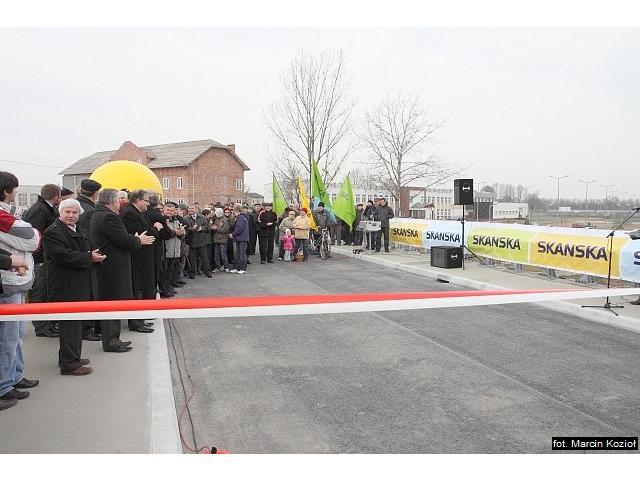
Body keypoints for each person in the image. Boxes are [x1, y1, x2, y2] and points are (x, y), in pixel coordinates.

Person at [43, 198, 106, 376]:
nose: (71, 215)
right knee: (70, 325)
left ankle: (71, 356)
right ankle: (70, 364)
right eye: (67, 212)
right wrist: (89, 257)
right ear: (60, 213)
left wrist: (96, 255)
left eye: (75, 212)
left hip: (78, 284)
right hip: (65, 286)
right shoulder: (53, 232)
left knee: (76, 324)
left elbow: (90, 249)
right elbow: (63, 256)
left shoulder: (79, 229)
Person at [90, 189, 154, 352]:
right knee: (112, 305)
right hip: (112, 268)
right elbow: (123, 239)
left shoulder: (99, 214)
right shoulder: (109, 217)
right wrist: (138, 240)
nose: (120, 203)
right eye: (118, 200)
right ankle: (111, 341)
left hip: (109, 266)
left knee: (113, 304)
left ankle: (114, 339)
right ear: (113, 202)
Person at [0, 171, 41, 411]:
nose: (17, 192)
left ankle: (14, 376)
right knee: (8, 338)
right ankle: (4, 385)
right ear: (7, 190)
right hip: (8, 282)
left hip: (15, 280)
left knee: (16, 336)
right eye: (15, 188)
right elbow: (32, 239)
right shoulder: (3, 216)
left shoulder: (8, 214)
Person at [22, 184, 62, 338]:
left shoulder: (44, 208)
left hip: (44, 258)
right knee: (39, 292)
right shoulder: (40, 210)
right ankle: (41, 326)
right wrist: (41, 258)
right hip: (40, 259)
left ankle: (46, 324)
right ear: (56, 196)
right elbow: (35, 237)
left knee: (45, 291)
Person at [121, 190, 162, 332]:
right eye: (146, 201)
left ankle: (140, 320)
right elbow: (141, 233)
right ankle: (136, 322)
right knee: (137, 289)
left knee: (143, 288)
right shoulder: (130, 213)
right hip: (138, 258)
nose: (148, 204)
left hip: (143, 257)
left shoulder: (137, 212)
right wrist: (155, 228)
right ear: (138, 200)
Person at [144, 193, 175, 299]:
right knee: (159, 270)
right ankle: (159, 290)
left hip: (143, 246)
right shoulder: (157, 216)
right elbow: (167, 234)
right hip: (155, 247)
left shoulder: (141, 213)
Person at [163, 202, 187, 289]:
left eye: (171, 210)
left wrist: (181, 233)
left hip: (175, 250)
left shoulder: (177, 221)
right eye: (168, 210)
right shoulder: (163, 221)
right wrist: (176, 232)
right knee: (165, 271)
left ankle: (171, 285)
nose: (169, 212)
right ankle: (166, 287)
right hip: (166, 250)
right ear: (164, 210)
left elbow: (181, 234)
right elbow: (165, 234)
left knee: (171, 270)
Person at [184, 205, 212, 279]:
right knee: (192, 259)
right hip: (191, 241)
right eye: (189, 208)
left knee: (204, 258)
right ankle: (192, 272)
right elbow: (185, 229)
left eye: (192, 208)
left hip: (201, 240)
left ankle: (207, 271)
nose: (190, 210)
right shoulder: (185, 218)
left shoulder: (202, 217)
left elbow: (206, 226)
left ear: (196, 209)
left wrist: (202, 228)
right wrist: (191, 229)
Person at [229, 204, 248, 274]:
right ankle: (237, 268)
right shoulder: (240, 218)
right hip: (239, 238)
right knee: (237, 254)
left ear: (237, 211)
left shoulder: (241, 218)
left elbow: (240, 228)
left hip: (242, 238)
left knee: (242, 254)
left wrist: (233, 234)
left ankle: (243, 268)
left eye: (234, 212)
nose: (233, 213)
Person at [211, 207, 230, 272]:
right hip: (216, 239)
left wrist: (216, 228)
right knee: (216, 255)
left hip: (223, 240)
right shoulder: (216, 219)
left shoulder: (225, 220)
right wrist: (213, 227)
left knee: (223, 255)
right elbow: (214, 227)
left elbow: (225, 230)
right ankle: (217, 267)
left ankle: (226, 267)